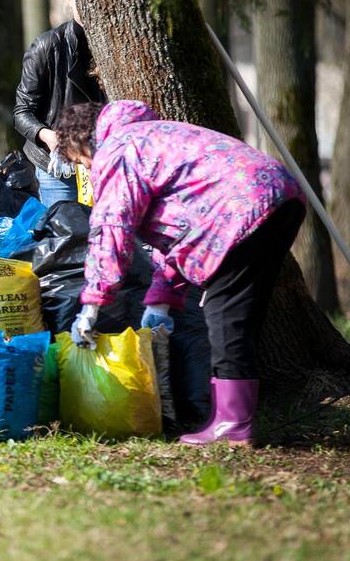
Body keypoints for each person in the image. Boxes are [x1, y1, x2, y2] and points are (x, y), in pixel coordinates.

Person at [54, 101, 305, 446]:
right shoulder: (155, 136)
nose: (85, 167)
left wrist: (93, 303)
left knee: (224, 313)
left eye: (80, 160)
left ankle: (233, 424)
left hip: (239, 207)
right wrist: (161, 301)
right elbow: (180, 232)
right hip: (280, 196)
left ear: (81, 143)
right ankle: (226, 416)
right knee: (240, 313)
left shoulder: (118, 149)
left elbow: (111, 227)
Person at [13, 0, 104, 207]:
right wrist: (49, 137)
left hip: (102, 161)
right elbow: (21, 112)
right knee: (66, 235)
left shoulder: (115, 46)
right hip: (57, 167)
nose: (85, 4)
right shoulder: (47, 47)